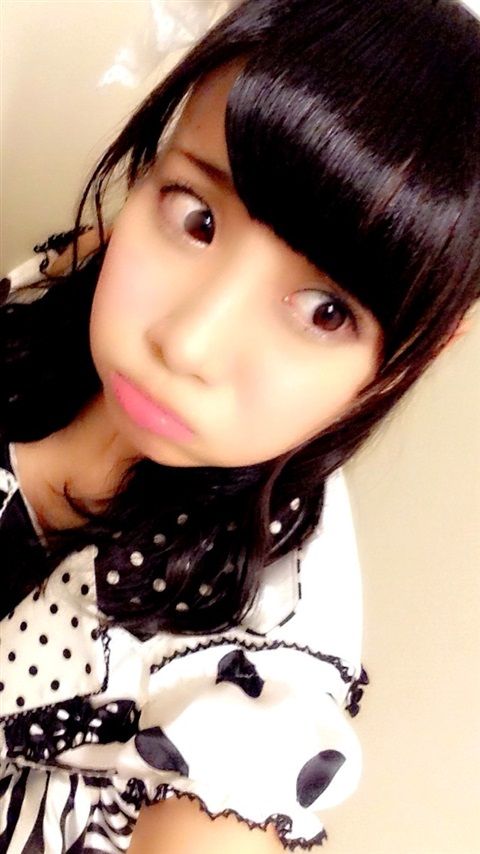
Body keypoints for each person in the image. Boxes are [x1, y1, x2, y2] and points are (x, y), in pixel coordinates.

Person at [0, 0, 478, 850]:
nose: (187, 343)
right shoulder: (76, 273)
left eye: (325, 311)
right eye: (198, 219)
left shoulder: (254, 660)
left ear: (419, 350)